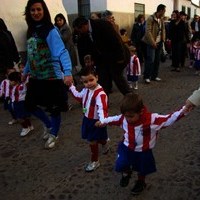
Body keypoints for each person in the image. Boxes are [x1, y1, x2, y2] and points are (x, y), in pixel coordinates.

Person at [95, 93, 187, 195]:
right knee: (120, 164)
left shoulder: (151, 120)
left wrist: (185, 109)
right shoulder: (123, 118)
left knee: (141, 169)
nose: (128, 119)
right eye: (126, 116)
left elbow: (169, 118)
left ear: (141, 111)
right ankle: (126, 173)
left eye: (131, 116)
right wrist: (102, 121)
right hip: (126, 148)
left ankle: (141, 182)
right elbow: (113, 119)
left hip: (143, 151)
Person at [23, 0, 72, 149]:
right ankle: (49, 125)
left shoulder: (50, 30)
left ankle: (54, 133)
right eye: (32, 10)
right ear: (28, 12)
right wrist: (25, 72)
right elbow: (31, 54)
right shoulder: (30, 30)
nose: (36, 13)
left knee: (53, 108)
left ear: (44, 11)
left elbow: (62, 51)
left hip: (51, 76)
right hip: (36, 77)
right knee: (29, 104)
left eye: (39, 9)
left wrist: (68, 72)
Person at [73, 16, 131, 96]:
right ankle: (102, 99)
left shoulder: (102, 25)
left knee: (117, 77)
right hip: (103, 59)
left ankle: (131, 98)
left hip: (117, 56)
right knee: (102, 79)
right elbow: (91, 47)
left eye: (79, 30)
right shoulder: (85, 33)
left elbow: (116, 41)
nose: (79, 33)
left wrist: (120, 57)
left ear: (84, 26)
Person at [69, 66, 109, 172]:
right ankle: (105, 143)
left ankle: (95, 160)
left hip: (96, 121)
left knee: (92, 141)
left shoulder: (100, 94)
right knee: (98, 138)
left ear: (97, 77)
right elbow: (79, 97)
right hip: (87, 119)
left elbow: (102, 108)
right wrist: (71, 87)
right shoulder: (86, 90)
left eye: (91, 80)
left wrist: (102, 120)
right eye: (85, 82)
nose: (89, 83)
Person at [142, 4, 166, 83]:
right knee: (150, 60)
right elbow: (148, 31)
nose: (165, 12)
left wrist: (163, 39)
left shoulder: (161, 19)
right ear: (161, 10)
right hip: (151, 42)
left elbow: (163, 29)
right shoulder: (150, 18)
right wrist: (153, 42)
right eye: (164, 11)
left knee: (157, 60)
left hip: (159, 42)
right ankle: (146, 77)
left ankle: (154, 76)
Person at [8, 71, 34, 136]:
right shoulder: (13, 87)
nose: (10, 82)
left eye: (11, 81)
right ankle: (30, 126)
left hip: (20, 104)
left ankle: (25, 128)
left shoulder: (22, 86)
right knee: (24, 117)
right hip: (16, 103)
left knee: (20, 118)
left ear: (16, 80)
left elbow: (26, 82)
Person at [0, 18, 20, 83]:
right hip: (10, 64)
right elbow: (14, 48)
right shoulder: (7, 33)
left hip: (5, 66)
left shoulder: (6, 34)